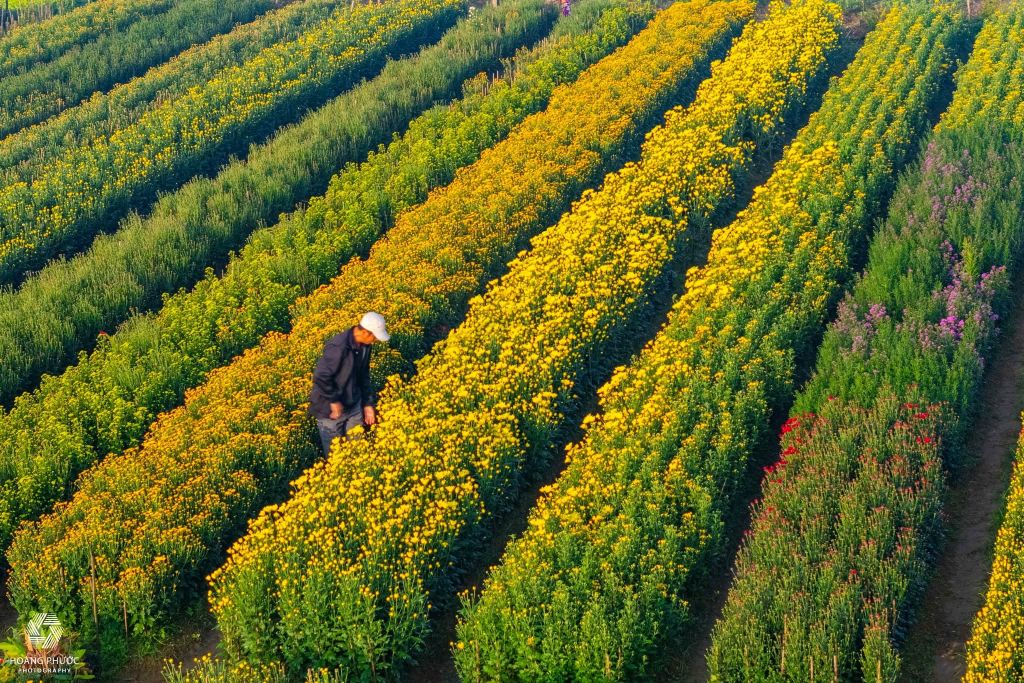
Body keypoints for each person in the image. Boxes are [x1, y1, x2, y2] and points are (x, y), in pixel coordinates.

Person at [308, 311, 389, 456]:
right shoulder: (338, 347)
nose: (375, 341)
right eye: (375, 337)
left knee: (357, 450)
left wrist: (368, 404)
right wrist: (334, 401)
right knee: (336, 456)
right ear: (365, 332)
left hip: (353, 404)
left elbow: (364, 375)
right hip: (330, 411)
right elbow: (321, 376)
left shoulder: (365, 346)